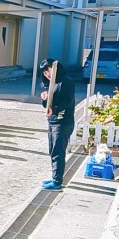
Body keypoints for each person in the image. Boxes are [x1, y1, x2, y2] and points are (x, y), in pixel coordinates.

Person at [40, 58, 76, 191]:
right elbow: (49, 104)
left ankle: (57, 182)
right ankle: (55, 177)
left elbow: (67, 101)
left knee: (58, 152)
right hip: (53, 121)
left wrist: (54, 110)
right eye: (45, 73)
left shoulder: (66, 81)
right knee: (52, 150)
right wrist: (44, 99)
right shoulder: (52, 83)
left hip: (63, 123)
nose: (47, 74)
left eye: (48, 70)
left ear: (55, 68)